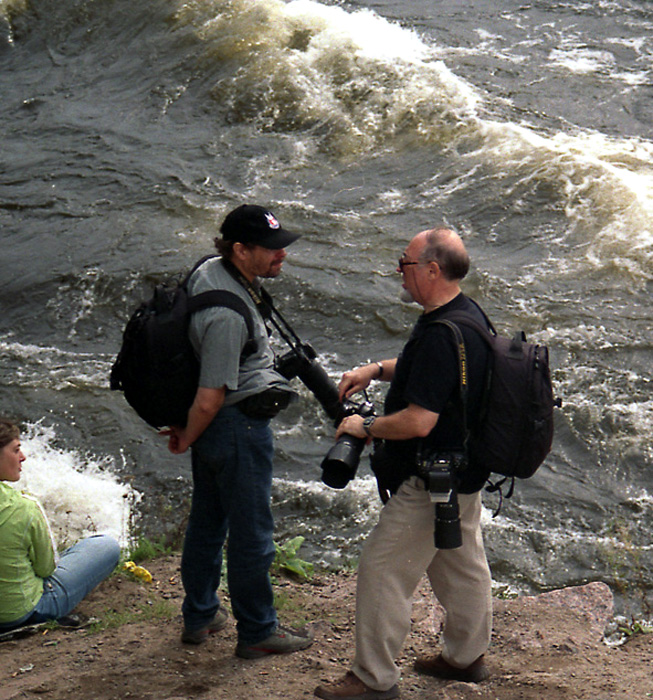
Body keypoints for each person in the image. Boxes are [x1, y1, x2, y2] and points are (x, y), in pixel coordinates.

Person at [314, 227, 493, 700]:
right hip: (466, 472)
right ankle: (465, 657)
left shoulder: (441, 334)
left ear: (432, 270)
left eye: (406, 263)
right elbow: (430, 369)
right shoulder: (465, 317)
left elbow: (417, 421)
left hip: (430, 479)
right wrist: (376, 369)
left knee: (381, 568)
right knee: (461, 564)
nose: (399, 271)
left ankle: (373, 680)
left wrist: (364, 429)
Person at [162, 204, 314, 659]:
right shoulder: (226, 316)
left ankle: (201, 615)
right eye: (270, 249)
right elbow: (210, 396)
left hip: (216, 428)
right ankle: (257, 630)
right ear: (240, 249)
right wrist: (188, 435)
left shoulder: (210, 271)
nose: (281, 255)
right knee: (252, 533)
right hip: (234, 426)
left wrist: (192, 430)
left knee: (208, 522)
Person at [0, 419, 120, 632]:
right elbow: (46, 569)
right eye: (16, 450)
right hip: (22, 613)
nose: (23, 457)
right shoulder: (24, 508)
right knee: (106, 546)